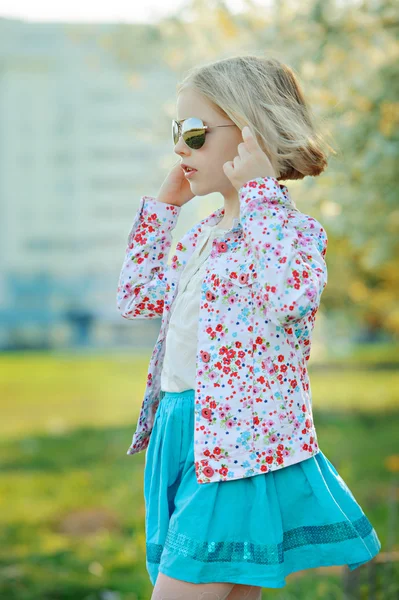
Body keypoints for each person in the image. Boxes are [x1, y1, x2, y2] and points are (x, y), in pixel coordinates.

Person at [116, 55, 381, 599]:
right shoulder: (201, 235)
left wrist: (259, 194)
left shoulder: (291, 231)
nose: (180, 150)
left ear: (252, 134)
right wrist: (165, 209)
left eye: (195, 134)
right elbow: (137, 298)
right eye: (177, 133)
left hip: (237, 448)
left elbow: (292, 299)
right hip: (181, 434)